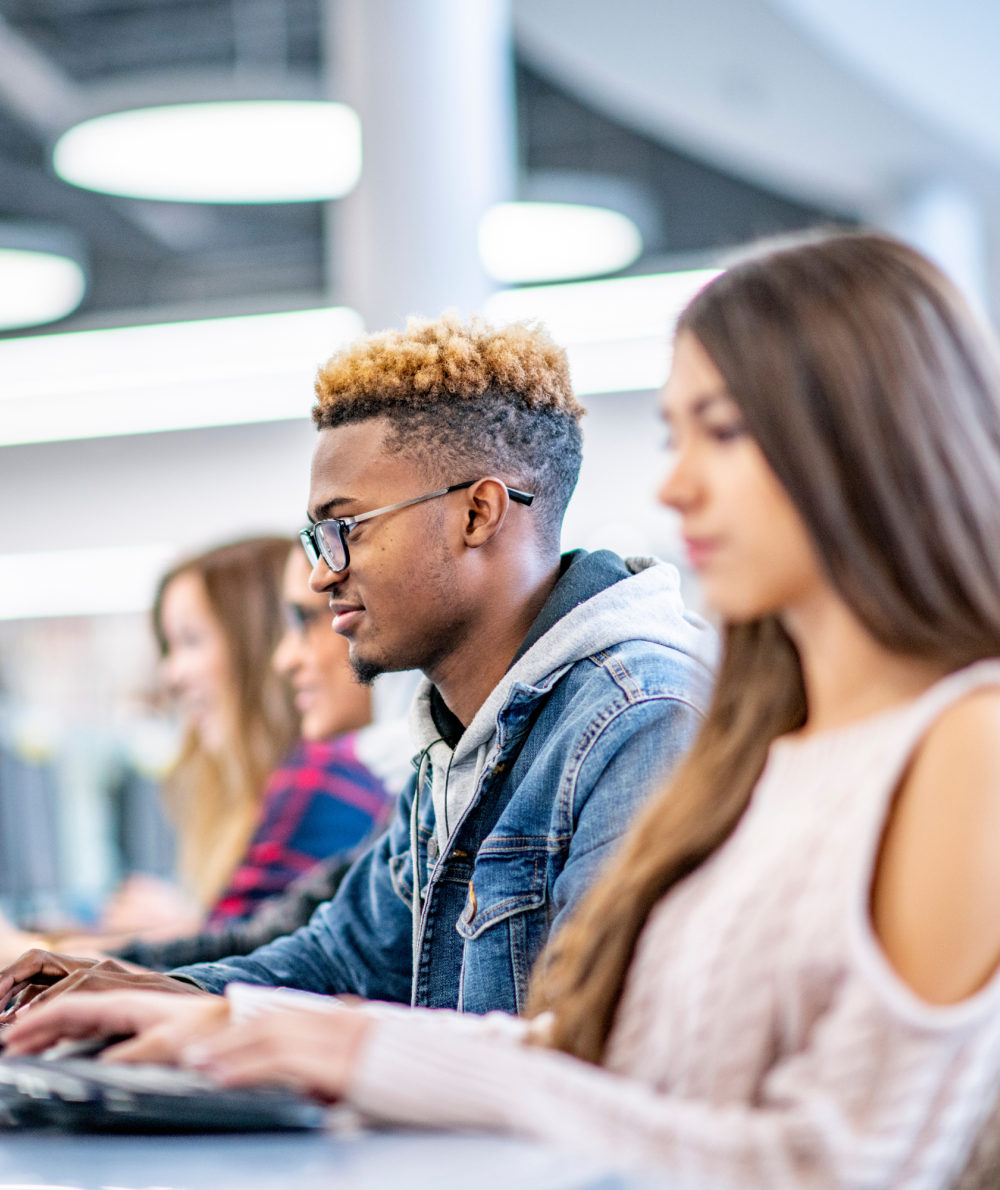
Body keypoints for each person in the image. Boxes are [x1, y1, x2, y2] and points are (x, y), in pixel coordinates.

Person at [17, 234, 1000, 1190]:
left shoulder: (916, 739)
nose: (673, 483)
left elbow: (819, 1158)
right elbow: (586, 1048)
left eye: (725, 430)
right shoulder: (761, 736)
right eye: (675, 435)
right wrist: (200, 1011)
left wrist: (345, 1048)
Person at [0, 312, 714, 1014]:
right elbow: (338, 956)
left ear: (477, 514)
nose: (321, 575)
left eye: (346, 529)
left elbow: (596, 1054)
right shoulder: (458, 743)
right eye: (319, 538)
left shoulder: (638, 721)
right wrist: (121, 989)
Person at [106, 546, 412, 971]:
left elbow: (272, 955)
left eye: (191, 642)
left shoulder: (322, 773)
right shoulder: (402, 787)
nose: (170, 674)